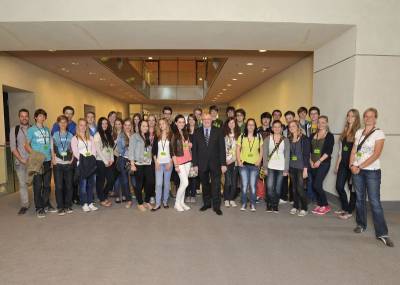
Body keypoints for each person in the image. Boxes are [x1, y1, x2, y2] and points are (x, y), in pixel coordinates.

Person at [350, 108, 394, 247]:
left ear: (375, 118)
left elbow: (376, 154)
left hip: (372, 171)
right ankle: (361, 224)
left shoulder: (379, 133)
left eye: (371, 116)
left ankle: (382, 233)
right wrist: (352, 164)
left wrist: (360, 166)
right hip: (357, 170)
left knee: (374, 202)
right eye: (366, 116)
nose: (368, 118)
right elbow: (354, 150)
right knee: (360, 199)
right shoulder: (358, 132)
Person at [192, 113, 226, 215]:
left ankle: (216, 206)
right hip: (202, 164)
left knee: (216, 186)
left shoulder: (218, 131)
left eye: (208, 119)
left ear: (212, 120)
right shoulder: (197, 132)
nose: (206, 121)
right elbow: (194, 150)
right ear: (202, 120)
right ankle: (207, 204)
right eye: (204, 119)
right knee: (205, 185)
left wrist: (223, 164)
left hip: (215, 163)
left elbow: (222, 148)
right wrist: (195, 164)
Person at [25, 109, 55, 218]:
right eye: (40, 116)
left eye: (44, 116)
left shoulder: (47, 129)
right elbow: (26, 145)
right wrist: (34, 155)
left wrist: (52, 158)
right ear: (35, 117)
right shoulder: (31, 130)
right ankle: (39, 208)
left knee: (47, 185)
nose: (42, 118)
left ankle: (46, 203)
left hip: (47, 160)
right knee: (37, 185)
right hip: (37, 161)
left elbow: (50, 144)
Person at [334, 109, 360, 220]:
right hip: (343, 164)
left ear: (356, 118)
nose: (350, 118)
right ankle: (345, 207)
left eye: (352, 116)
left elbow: (359, 151)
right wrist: (337, 164)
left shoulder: (359, 132)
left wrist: (356, 165)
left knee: (352, 189)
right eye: (348, 116)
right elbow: (341, 150)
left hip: (352, 165)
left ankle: (349, 211)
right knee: (339, 186)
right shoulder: (345, 130)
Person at [71, 118, 98, 212]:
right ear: (78, 126)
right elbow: (75, 152)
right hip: (82, 164)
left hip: (91, 164)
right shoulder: (74, 138)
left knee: (91, 184)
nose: (83, 127)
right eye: (81, 125)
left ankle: (90, 202)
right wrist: (84, 160)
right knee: (83, 185)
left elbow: (94, 150)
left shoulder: (91, 137)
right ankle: (84, 203)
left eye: (84, 125)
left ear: (86, 126)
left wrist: (92, 159)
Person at [262, 120, 290, 213]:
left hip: (281, 168)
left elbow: (287, 155)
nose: (277, 128)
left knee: (278, 188)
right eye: (275, 127)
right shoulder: (267, 139)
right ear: (272, 128)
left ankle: (275, 205)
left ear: (281, 128)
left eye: (279, 127)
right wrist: (265, 167)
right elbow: (265, 154)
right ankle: (269, 204)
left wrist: (286, 169)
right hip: (270, 167)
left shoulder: (285, 140)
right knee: (269, 187)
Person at [236, 118, 263, 211]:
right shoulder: (242, 136)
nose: (250, 126)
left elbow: (261, 150)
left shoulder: (258, 136)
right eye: (249, 125)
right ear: (246, 126)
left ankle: (252, 204)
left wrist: (259, 161)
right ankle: (243, 203)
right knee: (244, 185)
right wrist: (239, 161)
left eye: (252, 125)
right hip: (243, 165)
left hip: (255, 165)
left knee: (253, 185)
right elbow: (238, 150)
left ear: (255, 126)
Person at [310, 115, 334, 215]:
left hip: (323, 163)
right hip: (313, 163)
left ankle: (325, 205)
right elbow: (309, 150)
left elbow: (328, 151)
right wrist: (311, 162)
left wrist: (319, 161)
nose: (320, 124)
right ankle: (320, 204)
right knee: (314, 185)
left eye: (323, 122)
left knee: (317, 184)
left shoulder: (329, 136)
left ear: (327, 123)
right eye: (319, 122)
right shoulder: (312, 135)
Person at [129, 120, 154, 211]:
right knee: (139, 184)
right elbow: (131, 150)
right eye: (143, 126)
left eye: (146, 126)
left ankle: (146, 201)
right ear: (139, 127)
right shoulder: (134, 136)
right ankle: (140, 203)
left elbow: (149, 150)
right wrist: (132, 164)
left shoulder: (147, 136)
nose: (145, 128)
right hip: (138, 163)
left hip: (148, 163)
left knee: (150, 182)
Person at [51, 115, 74, 215]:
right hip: (58, 163)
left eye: (65, 122)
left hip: (68, 163)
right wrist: (53, 160)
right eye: (61, 122)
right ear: (58, 123)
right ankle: (60, 206)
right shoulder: (55, 135)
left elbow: (73, 149)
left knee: (69, 186)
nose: (63, 124)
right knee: (59, 186)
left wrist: (72, 159)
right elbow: (52, 148)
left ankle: (68, 206)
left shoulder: (71, 135)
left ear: (67, 123)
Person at [10, 109, 31, 215]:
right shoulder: (14, 130)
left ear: (29, 117)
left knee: (36, 183)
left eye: (26, 116)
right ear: (19, 117)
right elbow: (13, 147)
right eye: (22, 116)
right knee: (23, 184)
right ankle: (25, 205)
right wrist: (21, 159)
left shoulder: (34, 129)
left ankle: (41, 204)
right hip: (20, 161)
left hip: (33, 162)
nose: (24, 118)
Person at [287, 120, 310, 216]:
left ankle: (304, 208)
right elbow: (288, 154)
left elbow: (306, 155)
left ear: (298, 126)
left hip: (301, 167)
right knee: (294, 189)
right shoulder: (289, 138)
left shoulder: (304, 139)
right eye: (290, 126)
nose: (292, 128)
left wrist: (305, 169)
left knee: (300, 189)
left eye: (293, 126)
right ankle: (295, 206)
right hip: (292, 167)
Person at [171, 115, 193, 212]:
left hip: (187, 160)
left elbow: (187, 145)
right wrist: (175, 165)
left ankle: (182, 202)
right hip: (179, 162)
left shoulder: (185, 132)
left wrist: (189, 145)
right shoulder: (173, 134)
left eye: (183, 122)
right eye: (179, 122)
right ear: (176, 123)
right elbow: (172, 151)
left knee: (183, 183)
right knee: (185, 182)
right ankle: (176, 203)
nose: (181, 124)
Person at [152, 118, 173, 211]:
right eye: (160, 124)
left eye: (163, 123)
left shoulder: (171, 135)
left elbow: (173, 150)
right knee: (159, 184)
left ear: (167, 124)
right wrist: (156, 162)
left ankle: (165, 201)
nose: (161, 125)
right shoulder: (157, 136)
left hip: (168, 163)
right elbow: (153, 150)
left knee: (167, 184)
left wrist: (171, 162)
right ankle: (157, 203)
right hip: (159, 163)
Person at [94, 117, 115, 208]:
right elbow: (98, 150)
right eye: (103, 123)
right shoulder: (97, 135)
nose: (105, 125)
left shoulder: (108, 134)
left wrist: (112, 158)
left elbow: (110, 148)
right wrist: (105, 161)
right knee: (100, 181)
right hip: (100, 161)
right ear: (99, 125)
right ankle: (102, 199)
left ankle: (103, 195)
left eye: (106, 123)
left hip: (109, 161)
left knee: (111, 179)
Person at [116, 118, 134, 208]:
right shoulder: (120, 136)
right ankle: (129, 200)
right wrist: (129, 147)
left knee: (134, 181)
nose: (127, 127)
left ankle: (135, 196)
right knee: (125, 181)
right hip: (123, 160)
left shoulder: (134, 135)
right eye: (126, 125)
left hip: (133, 160)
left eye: (129, 125)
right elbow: (120, 150)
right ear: (123, 126)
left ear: (131, 126)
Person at [223, 117, 240, 207]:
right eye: (229, 122)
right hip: (226, 161)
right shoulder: (224, 135)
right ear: (227, 124)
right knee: (227, 181)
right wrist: (224, 161)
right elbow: (221, 149)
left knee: (234, 181)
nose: (231, 124)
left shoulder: (239, 135)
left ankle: (232, 199)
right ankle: (226, 198)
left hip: (236, 161)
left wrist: (234, 159)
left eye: (233, 122)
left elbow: (241, 149)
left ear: (235, 124)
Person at [185, 114, 198, 203]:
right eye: (189, 119)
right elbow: (182, 143)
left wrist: (194, 145)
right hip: (186, 156)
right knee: (186, 176)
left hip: (196, 156)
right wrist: (187, 145)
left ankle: (193, 195)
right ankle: (187, 194)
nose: (191, 121)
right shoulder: (185, 131)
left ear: (195, 121)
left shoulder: (199, 131)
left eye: (193, 119)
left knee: (193, 176)